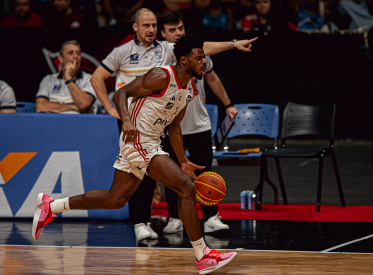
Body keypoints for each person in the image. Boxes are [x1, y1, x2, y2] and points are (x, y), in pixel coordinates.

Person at [32, 34, 238, 274]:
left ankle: (51, 206)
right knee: (187, 188)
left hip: (151, 142)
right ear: (183, 60)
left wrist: (182, 160)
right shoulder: (161, 75)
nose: (204, 62)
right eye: (199, 57)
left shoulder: (190, 89)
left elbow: (173, 127)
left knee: (115, 199)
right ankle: (202, 255)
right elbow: (120, 94)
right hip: (137, 139)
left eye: (204, 57)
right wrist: (127, 121)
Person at [90, 8, 257, 241]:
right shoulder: (121, 52)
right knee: (137, 182)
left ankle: (200, 230)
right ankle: (142, 222)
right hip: (133, 124)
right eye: (145, 25)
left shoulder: (167, 49)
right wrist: (111, 110)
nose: (150, 29)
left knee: (169, 178)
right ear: (135, 27)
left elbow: (203, 48)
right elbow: (97, 79)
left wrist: (232, 44)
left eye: (152, 25)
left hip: (161, 124)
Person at [159, 11, 238, 234]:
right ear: (162, 34)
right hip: (171, 126)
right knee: (172, 173)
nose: (177, 33)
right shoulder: (162, 55)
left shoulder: (199, 54)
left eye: (180, 29)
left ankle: (211, 217)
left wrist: (228, 103)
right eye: (172, 30)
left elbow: (211, 76)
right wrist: (234, 43)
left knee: (205, 172)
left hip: (199, 124)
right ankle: (174, 218)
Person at [35, 40, 96, 114]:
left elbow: (84, 105)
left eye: (78, 53)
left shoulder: (90, 79)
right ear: (60, 58)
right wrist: (74, 107)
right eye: (70, 53)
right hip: (52, 123)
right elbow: (40, 107)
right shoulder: (48, 80)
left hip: (79, 123)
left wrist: (69, 79)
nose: (75, 56)